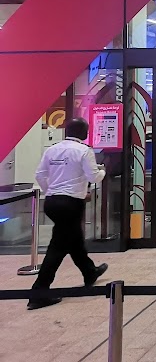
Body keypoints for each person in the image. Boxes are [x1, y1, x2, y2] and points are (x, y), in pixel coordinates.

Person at [28, 118, 108, 310]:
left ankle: (90, 272)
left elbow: (40, 175)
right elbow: (93, 177)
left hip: (52, 202)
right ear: (85, 133)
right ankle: (38, 293)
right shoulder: (84, 151)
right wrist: (103, 171)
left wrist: (51, 191)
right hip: (71, 203)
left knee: (74, 238)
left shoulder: (52, 149)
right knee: (58, 247)